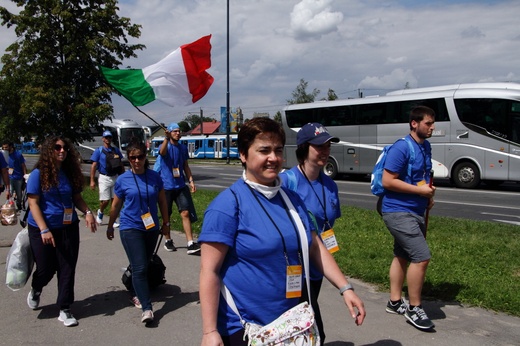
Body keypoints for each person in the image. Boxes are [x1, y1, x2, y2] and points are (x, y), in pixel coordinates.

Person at [199, 117, 365, 346]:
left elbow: (315, 246)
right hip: (245, 327)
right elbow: (209, 271)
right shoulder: (227, 205)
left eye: (278, 150)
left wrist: (345, 288)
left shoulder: (292, 200)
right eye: (264, 150)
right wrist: (209, 331)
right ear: (243, 155)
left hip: (291, 321)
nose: (273, 158)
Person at [279, 122, 341, 345]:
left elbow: (328, 221)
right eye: (319, 146)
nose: (325, 151)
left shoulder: (330, 185)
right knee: (311, 330)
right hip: (292, 270)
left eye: (328, 146)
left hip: (316, 267)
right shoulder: (287, 182)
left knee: (303, 327)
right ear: (304, 149)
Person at [25, 136, 97, 327]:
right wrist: (44, 229)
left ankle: (65, 308)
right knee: (45, 268)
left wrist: (88, 212)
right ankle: (36, 287)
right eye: (57, 147)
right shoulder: (38, 174)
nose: (62, 150)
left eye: (65, 147)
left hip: (68, 227)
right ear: (49, 150)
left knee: (67, 267)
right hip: (42, 228)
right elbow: (33, 203)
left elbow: (77, 198)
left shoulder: (69, 173)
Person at [381, 105, 436, 330]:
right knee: (421, 257)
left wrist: (429, 194)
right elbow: (388, 181)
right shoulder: (402, 148)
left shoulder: (426, 147)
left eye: (433, 124)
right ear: (414, 123)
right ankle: (414, 308)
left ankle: (395, 302)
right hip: (397, 210)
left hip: (416, 210)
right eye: (428, 124)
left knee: (402, 255)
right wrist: (419, 192)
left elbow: (423, 176)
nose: (432, 128)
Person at [106, 137, 169, 324]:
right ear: (128, 158)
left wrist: (166, 223)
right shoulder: (123, 180)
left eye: (140, 156)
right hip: (130, 226)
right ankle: (147, 308)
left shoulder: (155, 177)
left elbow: (162, 201)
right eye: (132, 157)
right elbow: (116, 205)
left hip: (151, 227)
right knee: (141, 268)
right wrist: (110, 225)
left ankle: (132, 285)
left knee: (143, 263)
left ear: (145, 157)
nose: (136, 161)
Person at [156, 122, 200, 255]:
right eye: (175, 131)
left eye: (179, 131)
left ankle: (190, 243)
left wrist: (191, 180)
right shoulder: (165, 146)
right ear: (169, 133)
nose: (178, 133)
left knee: (185, 212)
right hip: (166, 187)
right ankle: (168, 240)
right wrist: (165, 138)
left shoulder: (182, 148)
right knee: (166, 215)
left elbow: (185, 166)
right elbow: (162, 153)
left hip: (180, 185)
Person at [89, 130, 124, 227]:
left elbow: (120, 163)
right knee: (105, 201)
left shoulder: (115, 150)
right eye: (106, 137)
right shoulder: (99, 151)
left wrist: (123, 176)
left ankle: (113, 220)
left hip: (115, 177)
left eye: (109, 137)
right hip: (104, 178)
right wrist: (92, 180)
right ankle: (100, 211)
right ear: (103, 139)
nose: (108, 139)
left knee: (115, 201)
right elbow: (94, 165)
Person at [2, 141, 27, 210]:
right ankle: (9, 208)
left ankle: (19, 204)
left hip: (18, 178)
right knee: (9, 192)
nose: (5, 149)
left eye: (6, 147)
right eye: (3, 147)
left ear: (11, 147)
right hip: (9, 178)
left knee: (19, 195)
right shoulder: (4, 155)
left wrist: (25, 176)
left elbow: (23, 166)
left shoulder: (17, 155)